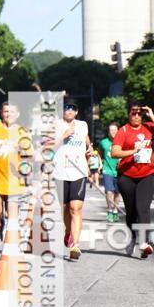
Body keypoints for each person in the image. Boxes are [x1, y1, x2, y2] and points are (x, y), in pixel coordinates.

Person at [111, 102, 154, 258]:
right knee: (131, 211)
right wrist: (133, 151)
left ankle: (145, 243)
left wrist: (151, 114)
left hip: (147, 174)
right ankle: (132, 237)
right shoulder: (123, 131)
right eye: (133, 113)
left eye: (139, 113)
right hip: (127, 176)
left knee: (143, 208)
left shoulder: (150, 127)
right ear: (128, 114)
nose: (137, 116)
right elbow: (114, 152)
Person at [53, 98, 91, 261]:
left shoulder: (82, 125)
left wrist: (90, 152)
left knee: (75, 208)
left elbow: (87, 142)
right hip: (59, 172)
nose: (69, 110)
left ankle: (75, 245)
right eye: (66, 107)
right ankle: (68, 231)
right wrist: (64, 136)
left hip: (79, 172)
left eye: (72, 108)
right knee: (65, 208)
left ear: (76, 112)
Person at [0, 102, 33, 244]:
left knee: (12, 215)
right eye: (5, 112)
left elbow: (29, 156)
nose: (8, 114)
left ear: (17, 115)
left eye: (11, 112)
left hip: (14, 181)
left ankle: (10, 247)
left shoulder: (22, 132)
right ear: (2, 113)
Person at [98, 122, 120, 222]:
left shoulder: (121, 141)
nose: (113, 132)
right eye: (111, 130)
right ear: (108, 132)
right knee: (109, 191)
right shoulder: (104, 142)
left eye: (115, 130)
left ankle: (115, 210)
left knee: (117, 192)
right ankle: (109, 210)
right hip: (107, 170)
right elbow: (99, 153)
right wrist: (100, 163)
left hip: (119, 171)